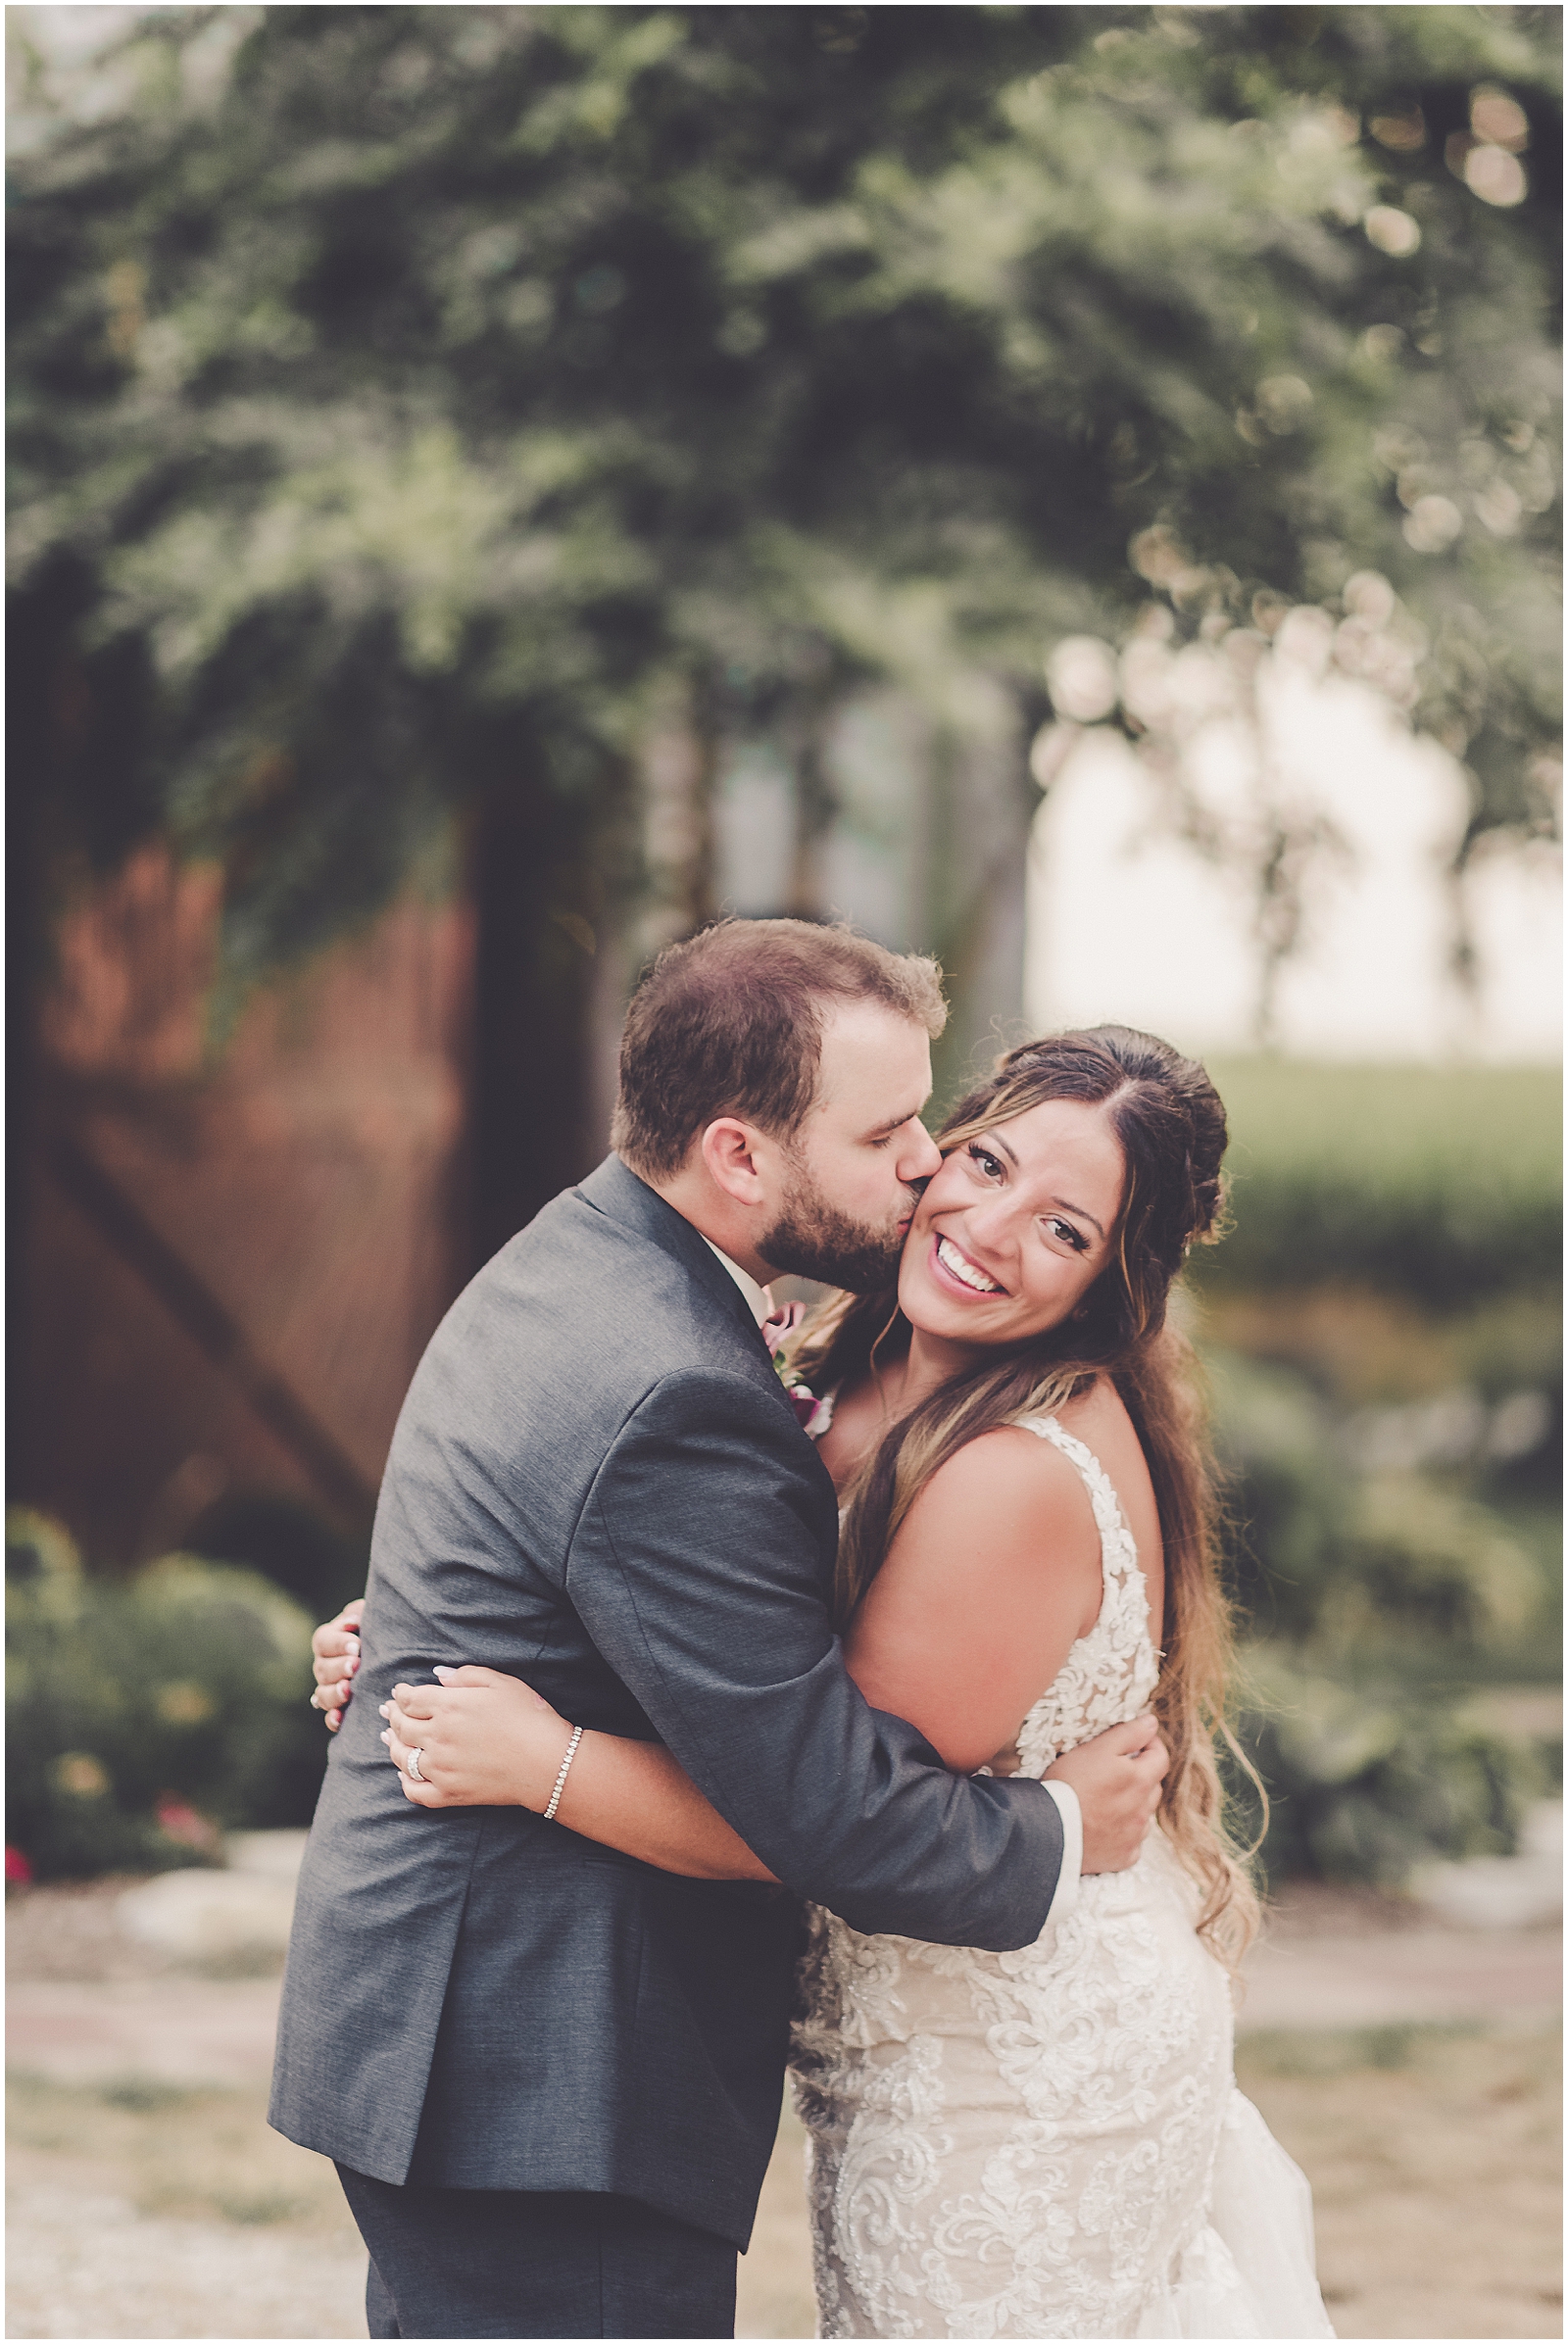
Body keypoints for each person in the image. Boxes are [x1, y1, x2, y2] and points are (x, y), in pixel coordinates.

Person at [352, 1024, 1336, 2340]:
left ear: (1114, 1280)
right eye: (985, 1163)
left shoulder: (1012, 1473)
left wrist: (544, 1763)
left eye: (1063, 1230)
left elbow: (815, 1814)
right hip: (907, 2028)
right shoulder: (840, 1362)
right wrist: (460, 1630)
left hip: (1016, 2062)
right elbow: (727, 1652)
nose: (988, 1228)